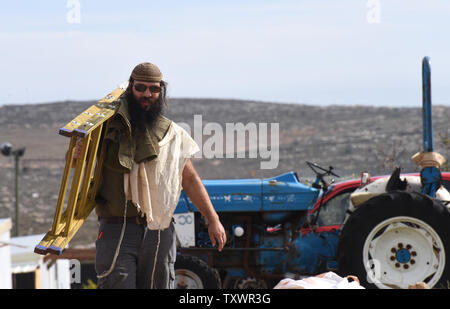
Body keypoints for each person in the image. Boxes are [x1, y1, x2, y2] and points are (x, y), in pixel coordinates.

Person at [73, 62, 226, 289]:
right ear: (130, 88)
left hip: (159, 231)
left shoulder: (171, 134)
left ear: (161, 91)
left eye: (154, 89)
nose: (147, 94)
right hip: (117, 228)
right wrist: (77, 153)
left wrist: (213, 219)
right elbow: (78, 165)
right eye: (141, 88)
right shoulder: (105, 127)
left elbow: (190, 179)